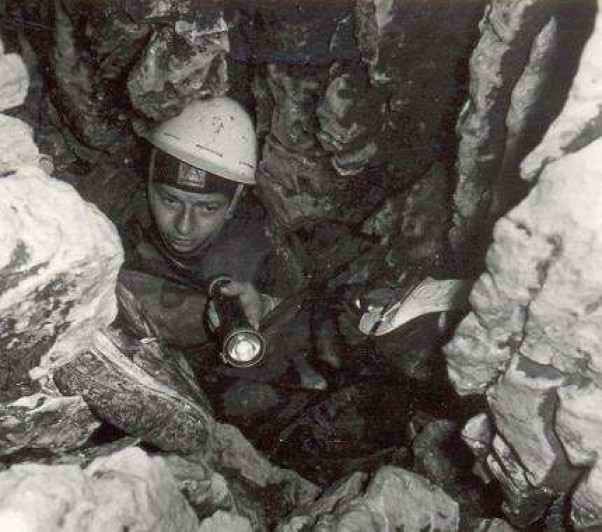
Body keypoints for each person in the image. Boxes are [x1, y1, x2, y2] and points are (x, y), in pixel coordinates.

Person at [117, 96, 328, 392]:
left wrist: (266, 308)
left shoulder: (263, 247)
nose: (184, 226)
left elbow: (308, 318)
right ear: (150, 184)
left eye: (207, 208)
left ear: (234, 202)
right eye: (170, 201)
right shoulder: (116, 210)